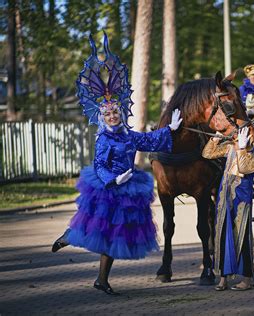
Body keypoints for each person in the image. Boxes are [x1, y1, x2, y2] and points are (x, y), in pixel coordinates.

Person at [50, 33, 182, 295]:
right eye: (107, 113)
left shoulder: (128, 135)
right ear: (102, 118)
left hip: (127, 189)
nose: (112, 115)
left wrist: (171, 129)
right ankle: (69, 236)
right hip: (109, 189)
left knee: (112, 240)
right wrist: (113, 179)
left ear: (121, 114)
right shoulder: (104, 140)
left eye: (115, 112)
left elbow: (148, 140)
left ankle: (101, 280)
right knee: (99, 229)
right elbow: (99, 165)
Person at [202, 116, 254, 291]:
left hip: (242, 199)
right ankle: (223, 278)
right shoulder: (232, 147)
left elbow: (243, 168)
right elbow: (207, 153)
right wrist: (216, 138)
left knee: (241, 236)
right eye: (252, 126)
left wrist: (242, 148)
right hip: (223, 195)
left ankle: (247, 279)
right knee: (221, 233)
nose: (253, 130)